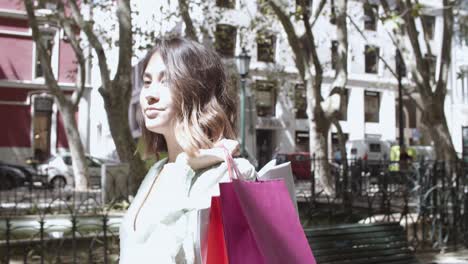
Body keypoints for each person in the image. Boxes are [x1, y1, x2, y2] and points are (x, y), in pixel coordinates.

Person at [119, 36, 257, 263]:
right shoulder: (157, 170)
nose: (150, 95)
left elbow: (183, 255)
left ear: (197, 91)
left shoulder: (229, 174)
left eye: (166, 81)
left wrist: (189, 164)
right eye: (147, 82)